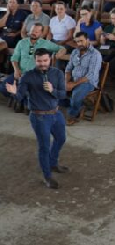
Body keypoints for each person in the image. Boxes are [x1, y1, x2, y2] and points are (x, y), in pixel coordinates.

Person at [6, 48, 68, 189]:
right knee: (44, 147)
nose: (42, 64)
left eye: (45, 60)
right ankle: (47, 176)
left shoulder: (57, 73)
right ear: (35, 60)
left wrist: (52, 90)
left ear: (50, 59)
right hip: (39, 117)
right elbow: (20, 96)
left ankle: (53, 164)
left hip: (56, 114)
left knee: (61, 139)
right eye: (39, 61)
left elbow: (63, 95)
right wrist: (14, 93)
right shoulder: (27, 76)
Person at [62, 31, 102, 125]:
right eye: (77, 42)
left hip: (88, 82)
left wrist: (73, 84)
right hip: (73, 80)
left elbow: (90, 75)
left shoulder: (95, 54)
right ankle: (78, 105)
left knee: (76, 95)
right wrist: (66, 82)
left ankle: (73, 115)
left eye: (81, 41)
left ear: (88, 40)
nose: (79, 44)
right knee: (54, 89)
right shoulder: (75, 52)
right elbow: (68, 69)